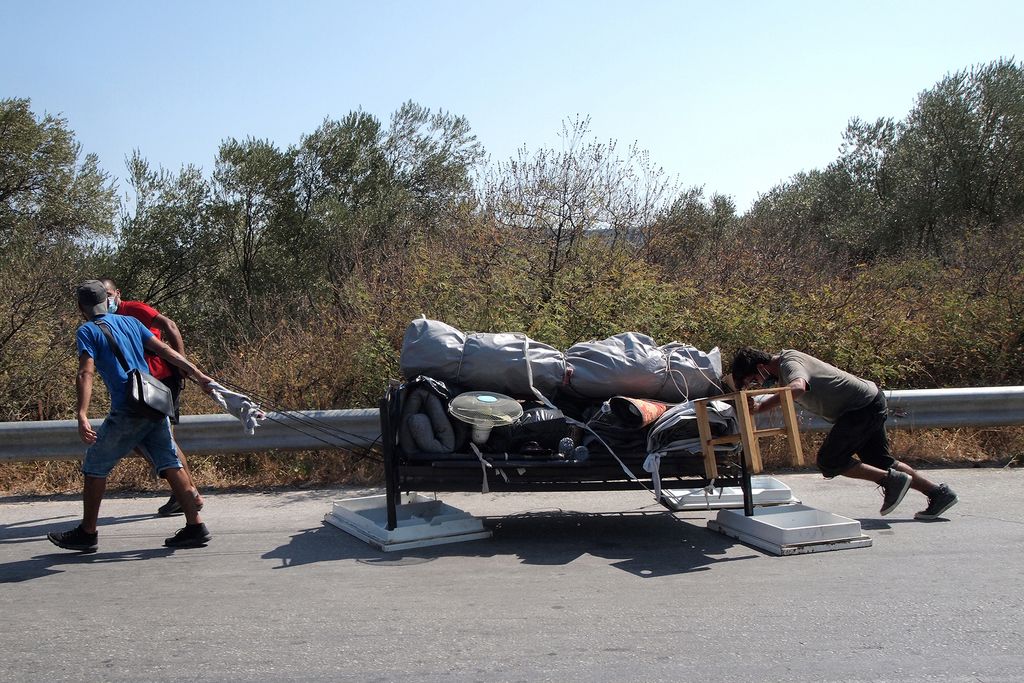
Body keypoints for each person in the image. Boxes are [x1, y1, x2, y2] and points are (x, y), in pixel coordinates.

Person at [47, 280, 215, 552]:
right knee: (169, 461)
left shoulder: (87, 331)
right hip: (154, 401)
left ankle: (87, 533)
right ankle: (195, 526)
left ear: (81, 308)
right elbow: (166, 351)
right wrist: (198, 374)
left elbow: (85, 372)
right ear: (107, 300)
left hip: (129, 408)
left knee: (94, 465)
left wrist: (81, 413)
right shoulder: (130, 322)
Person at [730, 347, 958, 520]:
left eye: (753, 379)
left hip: (860, 408)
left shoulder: (789, 363)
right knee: (880, 461)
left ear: (760, 366)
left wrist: (760, 408)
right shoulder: (783, 368)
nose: (757, 384)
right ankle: (939, 494)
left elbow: (798, 388)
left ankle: (890, 480)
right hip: (867, 402)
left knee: (830, 460)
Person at [102, 278, 202, 517]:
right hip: (141, 385)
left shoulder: (133, 310)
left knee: (165, 440)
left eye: (108, 294)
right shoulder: (108, 320)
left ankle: (188, 493)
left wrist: (182, 362)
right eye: (100, 296)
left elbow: (170, 325)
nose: (106, 300)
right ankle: (183, 490)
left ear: (118, 293)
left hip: (161, 380)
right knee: (140, 440)